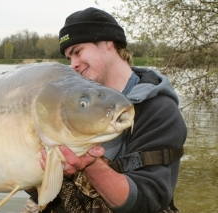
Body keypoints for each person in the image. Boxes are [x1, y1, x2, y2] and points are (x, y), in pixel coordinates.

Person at [21, 7, 187, 213]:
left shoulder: (159, 110)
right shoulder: (66, 105)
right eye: (68, 58)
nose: (73, 64)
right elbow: (49, 196)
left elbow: (148, 202)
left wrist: (90, 166)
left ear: (108, 42)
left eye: (78, 51)